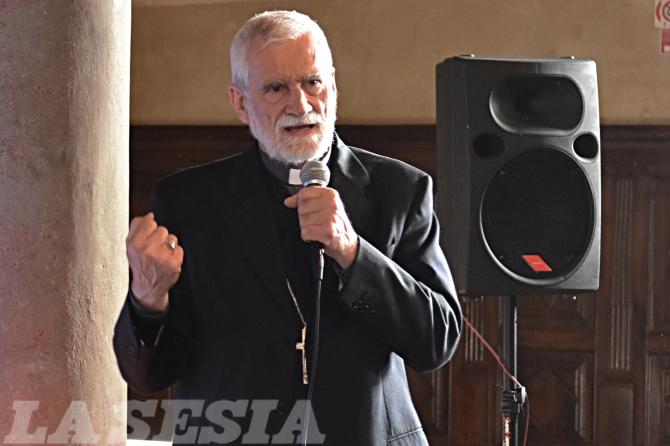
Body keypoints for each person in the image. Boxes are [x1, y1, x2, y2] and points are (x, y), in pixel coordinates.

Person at [114, 10, 462, 446]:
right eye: (276, 88)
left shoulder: (399, 190)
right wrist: (148, 299)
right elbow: (148, 376)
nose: (300, 105)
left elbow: (436, 342)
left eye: (312, 82)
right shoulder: (187, 202)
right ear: (240, 103)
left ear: (333, 86)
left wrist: (352, 251)